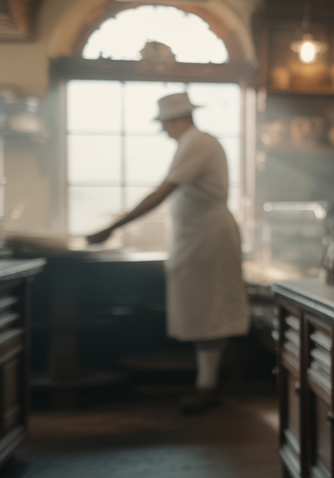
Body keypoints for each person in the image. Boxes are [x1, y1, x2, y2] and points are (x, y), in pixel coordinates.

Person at [88, 92, 248, 415]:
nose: (163, 130)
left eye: (164, 123)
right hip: (197, 238)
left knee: (210, 311)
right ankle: (207, 383)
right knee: (204, 311)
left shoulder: (198, 142)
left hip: (207, 239)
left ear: (177, 119)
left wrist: (113, 227)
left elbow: (162, 192)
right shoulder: (191, 143)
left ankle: (208, 387)